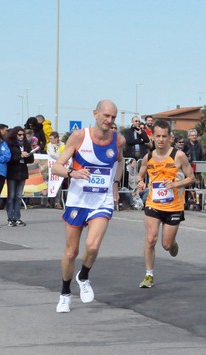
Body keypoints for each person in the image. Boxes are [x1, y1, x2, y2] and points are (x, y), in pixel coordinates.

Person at [51, 100, 125, 313]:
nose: (109, 121)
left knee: (92, 246)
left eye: (113, 117)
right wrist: (73, 173)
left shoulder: (117, 140)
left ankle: (83, 276)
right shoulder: (79, 137)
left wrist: (115, 184)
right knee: (71, 252)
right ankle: (65, 293)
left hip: (101, 201)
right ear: (95, 113)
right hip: (77, 201)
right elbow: (56, 167)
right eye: (106, 116)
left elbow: (120, 161)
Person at [135, 120, 194, 288]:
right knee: (150, 239)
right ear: (152, 137)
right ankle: (148, 275)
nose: (160, 139)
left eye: (164, 136)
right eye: (157, 136)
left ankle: (173, 245)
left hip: (174, 206)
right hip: (153, 203)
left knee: (166, 244)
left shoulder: (178, 156)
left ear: (170, 138)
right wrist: (140, 182)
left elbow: (191, 177)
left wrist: (175, 184)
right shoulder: (149, 157)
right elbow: (140, 174)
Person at [6, 126, 35, 226]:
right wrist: (20, 156)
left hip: (22, 172)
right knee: (11, 196)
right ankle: (10, 218)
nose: (22, 136)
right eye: (19, 134)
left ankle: (17, 218)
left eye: (23, 135)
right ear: (15, 135)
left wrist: (29, 155)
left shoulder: (26, 144)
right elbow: (8, 159)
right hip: (12, 172)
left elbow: (31, 160)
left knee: (18, 196)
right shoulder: (10, 144)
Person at [46, 131, 63, 209]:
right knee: (50, 184)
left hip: (60, 167)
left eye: (52, 139)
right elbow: (51, 154)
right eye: (49, 139)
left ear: (57, 139)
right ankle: (49, 201)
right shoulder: (49, 145)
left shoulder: (63, 145)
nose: (50, 140)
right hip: (50, 167)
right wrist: (60, 157)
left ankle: (57, 202)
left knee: (58, 184)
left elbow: (64, 154)